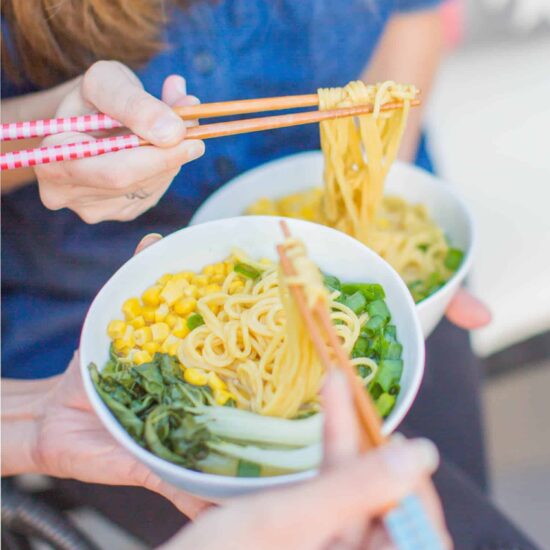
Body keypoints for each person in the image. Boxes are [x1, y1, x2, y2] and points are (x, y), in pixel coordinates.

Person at [1, 0, 494, 542]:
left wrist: (384, 228)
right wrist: (46, 127)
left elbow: (413, 17)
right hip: (86, 305)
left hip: (367, 260)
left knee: (461, 525)